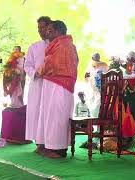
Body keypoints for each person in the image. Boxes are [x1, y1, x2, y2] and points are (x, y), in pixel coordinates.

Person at [36, 20, 79, 158]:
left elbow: (52, 64)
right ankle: (49, 146)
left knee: (57, 116)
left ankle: (58, 150)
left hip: (60, 86)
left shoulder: (63, 44)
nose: (46, 32)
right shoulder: (62, 43)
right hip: (55, 84)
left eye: (49, 30)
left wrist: (40, 69)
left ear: (58, 31)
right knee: (51, 116)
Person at [24, 16, 51, 153]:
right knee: (36, 111)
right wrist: (35, 73)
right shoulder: (34, 47)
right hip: (37, 84)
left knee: (49, 112)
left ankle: (50, 142)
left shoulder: (56, 45)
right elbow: (27, 66)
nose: (40, 30)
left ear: (49, 28)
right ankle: (39, 142)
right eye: (38, 28)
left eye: (43, 27)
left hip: (52, 85)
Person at [85, 53, 108, 117]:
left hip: (95, 88)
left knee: (93, 98)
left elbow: (86, 77)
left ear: (92, 58)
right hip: (105, 88)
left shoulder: (91, 65)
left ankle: (94, 115)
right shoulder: (105, 64)